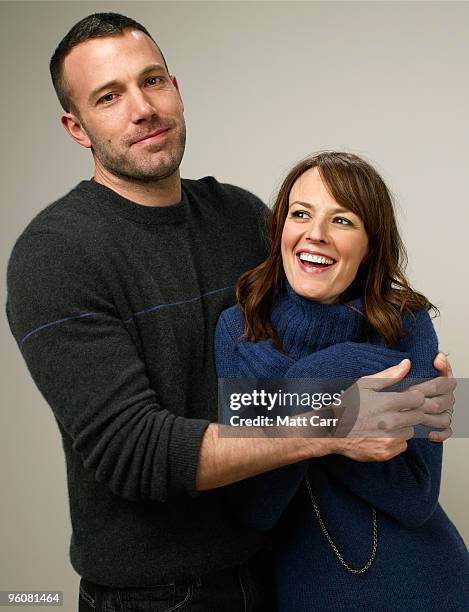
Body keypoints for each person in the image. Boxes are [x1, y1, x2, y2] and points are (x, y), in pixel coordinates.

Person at [5, 12, 455, 612]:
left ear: (176, 89)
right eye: (109, 97)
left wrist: (434, 396)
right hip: (158, 594)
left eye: (154, 81)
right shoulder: (56, 254)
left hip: (276, 567)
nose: (143, 108)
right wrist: (334, 418)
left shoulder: (240, 217)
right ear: (76, 126)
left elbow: (342, 321)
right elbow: (136, 452)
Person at [215, 151, 469, 611]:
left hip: (431, 587)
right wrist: (331, 395)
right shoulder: (240, 330)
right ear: (281, 229)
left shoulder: (405, 323)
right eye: (301, 214)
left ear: (370, 243)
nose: (316, 234)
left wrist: (301, 386)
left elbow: (414, 496)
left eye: (343, 220)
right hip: (308, 595)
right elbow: (255, 508)